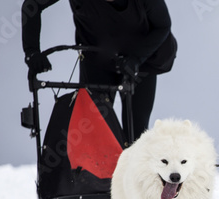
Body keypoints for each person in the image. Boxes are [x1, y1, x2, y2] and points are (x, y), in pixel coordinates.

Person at [21, 0, 177, 142]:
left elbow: (162, 25)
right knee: (94, 129)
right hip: (97, 57)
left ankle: (134, 165)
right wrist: (32, 52)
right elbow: (32, 5)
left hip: (140, 59)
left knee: (136, 133)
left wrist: (136, 58)